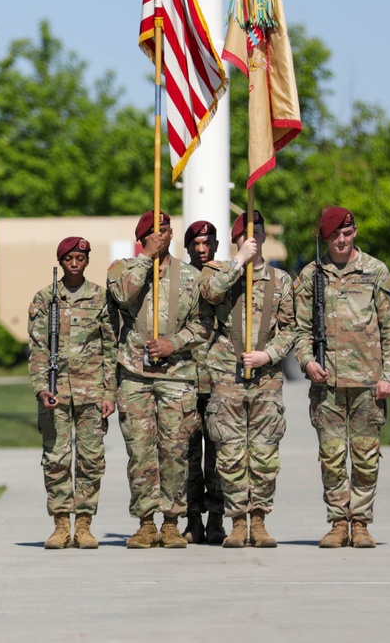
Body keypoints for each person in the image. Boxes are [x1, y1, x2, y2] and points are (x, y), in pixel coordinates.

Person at [293, 207, 390, 548]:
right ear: (325, 239)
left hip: (367, 382)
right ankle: (338, 522)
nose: (341, 241)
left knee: (365, 455)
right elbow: (299, 330)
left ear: (354, 232)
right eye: (333, 237)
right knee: (330, 456)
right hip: (326, 383)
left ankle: (361, 523)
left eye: (346, 233)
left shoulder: (375, 272)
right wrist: (306, 361)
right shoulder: (312, 275)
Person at [107, 210, 211, 549]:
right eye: (155, 232)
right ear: (143, 238)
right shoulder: (122, 269)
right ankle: (145, 523)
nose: (162, 236)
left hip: (176, 375)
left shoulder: (190, 276)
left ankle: (171, 521)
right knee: (140, 452)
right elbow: (122, 296)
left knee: (175, 451)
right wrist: (146, 258)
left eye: (166, 230)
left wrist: (174, 343)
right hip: (135, 375)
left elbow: (202, 325)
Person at [199, 210, 294, 548]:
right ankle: (238, 521)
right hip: (227, 378)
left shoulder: (281, 281)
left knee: (265, 454)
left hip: (266, 379)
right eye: (243, 237)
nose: (252, 241)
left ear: (265, 237)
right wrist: (238, 260)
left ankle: (259, 519)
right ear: (235, 240)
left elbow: (292, 328)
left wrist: (269, 354)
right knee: (231, 454)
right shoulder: (222, 273)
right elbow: (209, 292)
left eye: (256, 235)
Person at [27, 236, 116, 550]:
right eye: (69, 259)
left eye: (80, 258)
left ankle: (85, 525)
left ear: (87, 261)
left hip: (91, 393)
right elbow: (38, 350)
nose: (75, 263)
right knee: (56, 460)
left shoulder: (101, 299)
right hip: (56, 393)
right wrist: (41, 388)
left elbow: (110, 348)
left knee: (91, 461)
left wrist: (110, 392)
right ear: (61, 262)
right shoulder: (44, 299)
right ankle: (61, 525)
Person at [181, 220, 226, 545]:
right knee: (187, 458)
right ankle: (192, 519)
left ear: (215, 245)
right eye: (195, 243)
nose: (201, 248)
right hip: (183, 380)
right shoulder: (176, 280)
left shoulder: (225, 276)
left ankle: (217, 520)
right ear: (187, 247)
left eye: (206, 242)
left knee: (218, 458)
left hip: (218, 380)